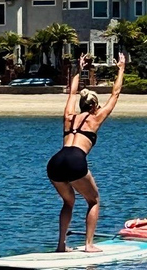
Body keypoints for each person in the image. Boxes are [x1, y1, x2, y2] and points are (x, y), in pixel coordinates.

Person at [48, 53, 126, 253]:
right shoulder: (95, 118)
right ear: (93, 106)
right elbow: (115, 94)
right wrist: (121, 68)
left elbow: (71, 93)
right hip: (75, 160)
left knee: (68, 201)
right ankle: (88, 244)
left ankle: (61, 245)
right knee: (93, 200)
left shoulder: (69, 116)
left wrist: (78, 69)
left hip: (56, 161)